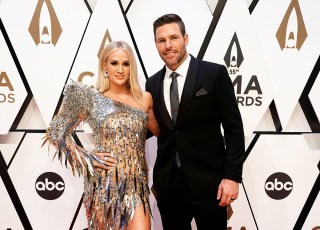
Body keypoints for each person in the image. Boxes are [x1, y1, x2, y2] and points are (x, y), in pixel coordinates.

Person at [43, 40, 159, 229]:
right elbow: (56, 132)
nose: (120, 69)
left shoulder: (144, 99)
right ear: (104, 65)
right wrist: (87, 158)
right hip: (104, 186)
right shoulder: (91, 99)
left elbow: (166, 134)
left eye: (126, 63)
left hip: (137, 186)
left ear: (131, 67)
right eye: (114, 63)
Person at [145, 13, 246, 229]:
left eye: (174, 38)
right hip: (169, 187)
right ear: (156, 44)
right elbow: (151, 129)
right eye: (161, 40)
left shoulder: (214, 73)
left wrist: (232, 177)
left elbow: (234, 129)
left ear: (186, 38)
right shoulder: (152, 84)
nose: (168, 45)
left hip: (210, 185)